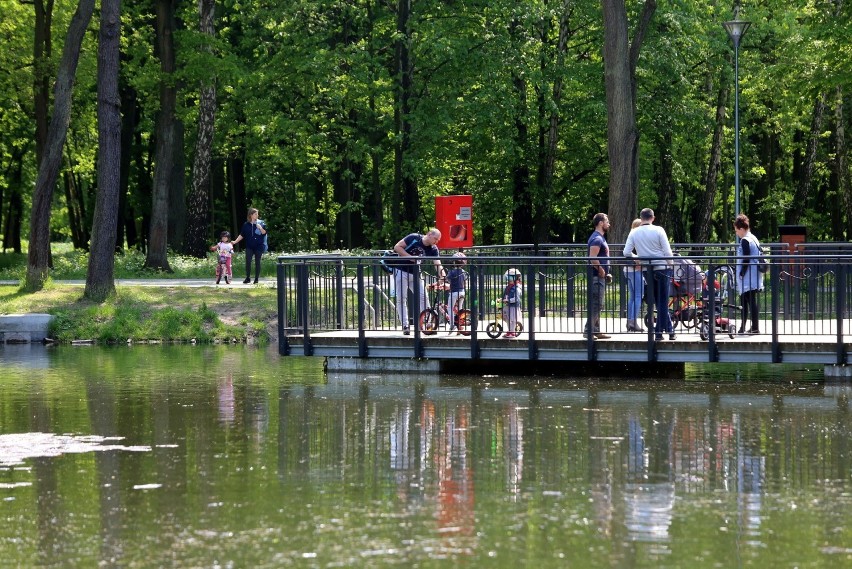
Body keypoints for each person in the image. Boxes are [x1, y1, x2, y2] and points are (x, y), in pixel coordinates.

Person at [623, 208, 675, 342]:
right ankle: (659, 332)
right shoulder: (659, 230)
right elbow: (667, 252)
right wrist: (671, 265)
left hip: (647, 270)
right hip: (662, 268)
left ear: (641, 218)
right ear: (653, 218)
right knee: (663, 301)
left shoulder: (634, 232)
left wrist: (639, 258)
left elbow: (626, 252)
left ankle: (670, 331)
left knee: (658, 301)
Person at [392, 228, 445, 335]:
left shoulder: (433, 248)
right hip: (401, 270)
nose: (437, 241)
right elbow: (397, 247)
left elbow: (437, 263)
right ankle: (405, 325)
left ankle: (428, 323)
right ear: (429, 234)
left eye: (438, 240)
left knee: (423, 297)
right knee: (401, 298)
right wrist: (411, 257)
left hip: (416, 273)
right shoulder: (414, 238)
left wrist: (442, 275)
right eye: (436, 239)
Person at [734, 214, 764, 334]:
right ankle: (744, 327)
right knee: (746, 301)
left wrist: (741, 272)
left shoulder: (745, 240)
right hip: (753, 274)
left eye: (737, 231)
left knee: (749, 302)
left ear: (741, 229)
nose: (736, 233)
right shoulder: (753, 238)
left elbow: (746, 258)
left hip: (748, 277)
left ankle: (754, 327)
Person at [584, 213, 612, 340]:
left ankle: (596, 330)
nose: (608, 224)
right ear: (601, 223)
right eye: (607, 221)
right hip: (596, 276)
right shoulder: (596, 239)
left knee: (599, 304)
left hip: (600, 276)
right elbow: (592, 258)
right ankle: (588, 331)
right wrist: (600, 269)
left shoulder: (601, 238)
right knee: (596, 304)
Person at [232, 208, 267, 284]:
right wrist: (235, 242)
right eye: (255, 214)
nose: (257, 215)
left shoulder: (261, 223)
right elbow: (242, 235)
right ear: (251, 215)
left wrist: (260, 228)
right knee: (248, 261)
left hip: (259, 246)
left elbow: (264, 233)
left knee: (257, 262)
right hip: (249, 246)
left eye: (257, 214)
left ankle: (256, 279)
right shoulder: (246, 225)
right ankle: (248, 278)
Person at [623, 218, 645, 332]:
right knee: (638, 295)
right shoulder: (637, 236)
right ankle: (633, 322)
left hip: (627, 270)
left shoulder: (631, 235)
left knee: (633, 296)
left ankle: (630, 321)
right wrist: (638, 259)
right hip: (634, 270)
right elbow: (629, 252)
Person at [446, 252, 467, 334]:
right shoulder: (464, 272)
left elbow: (447, 280)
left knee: (450, 308)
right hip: (462, 292)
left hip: (454, 292)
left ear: (454, 262)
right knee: (460, 310)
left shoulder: (452, 272)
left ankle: (452, 325)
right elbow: (464, 282)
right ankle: (459, 327)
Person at [502, 268, 523, 339]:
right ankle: (510, 331)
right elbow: (506, 295)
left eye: (510, 277)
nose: (508, 279)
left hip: (513, 306)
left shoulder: (517, 288)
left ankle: (512, 332)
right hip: (508, 305)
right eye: (508, 277)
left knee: (512, 319)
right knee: (507, 318)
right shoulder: (509, 287)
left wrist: (508, 300)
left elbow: (516, 299)